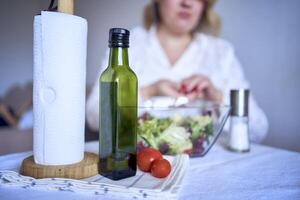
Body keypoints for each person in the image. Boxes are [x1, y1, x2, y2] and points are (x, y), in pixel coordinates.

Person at [86, 0, 268, 142]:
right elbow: (94, 117)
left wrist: (217, 96)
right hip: (141, 165)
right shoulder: (130, 45)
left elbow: (258, 129)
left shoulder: (221, 52)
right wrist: (150, 91)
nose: (187, 2)